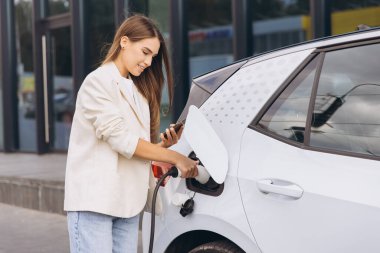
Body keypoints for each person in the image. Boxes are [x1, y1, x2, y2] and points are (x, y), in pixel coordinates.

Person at [64, 15, 198, 253]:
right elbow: (122, 140)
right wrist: (176, 158)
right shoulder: (97, 82)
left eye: (153, 57)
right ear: (124, 41)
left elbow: (133, 147)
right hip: (96, 203)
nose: (148, 62)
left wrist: (163, 147)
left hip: (127, 203)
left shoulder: (139, 91)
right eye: (145, 52)